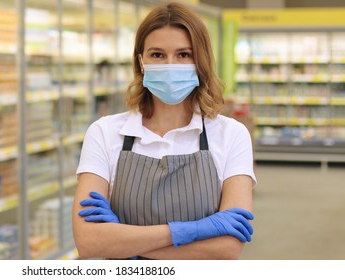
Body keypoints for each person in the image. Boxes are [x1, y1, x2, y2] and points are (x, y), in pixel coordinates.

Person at [72, 1, 256, 260]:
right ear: (141, 62)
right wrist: (191, 231)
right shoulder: (104, 133)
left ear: (200, 61)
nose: (171, 64)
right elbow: (89, 242)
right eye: (157, 55)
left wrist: (121, 238)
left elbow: (226, 249)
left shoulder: (230, 135)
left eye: (184, 54)